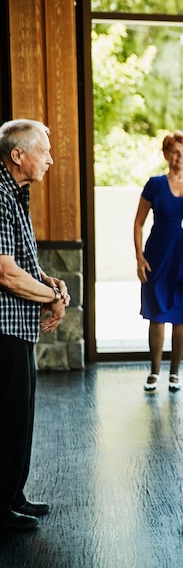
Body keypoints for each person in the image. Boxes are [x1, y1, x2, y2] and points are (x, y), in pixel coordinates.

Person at [0, 119, 71, 531]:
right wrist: (55, 298)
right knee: (6, 418)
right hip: (4, 328)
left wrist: (49, 283)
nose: (50, 158)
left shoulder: (16, 193)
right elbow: (6, 273)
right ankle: (1, 507)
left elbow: (25, 262)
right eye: (43, 151)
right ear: (18, 156)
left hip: (19, 326)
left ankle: (13, 495)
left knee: (20, 416)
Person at [133, 130, 183, 393]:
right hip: (158, 259)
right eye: (176, 151)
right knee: (157, 315)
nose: (181, 157)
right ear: (166, 154)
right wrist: (139, 257)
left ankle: (174, 373)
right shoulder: (155, 184)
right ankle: (154, 372)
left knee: (182, 318)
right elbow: (139, 222)